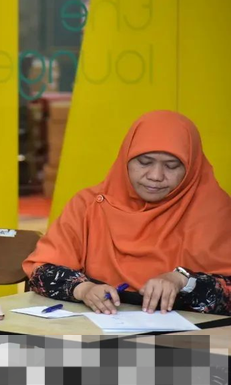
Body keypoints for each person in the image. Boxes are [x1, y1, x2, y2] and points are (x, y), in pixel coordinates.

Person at [23, 111, 231, 316]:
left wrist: (183, 280)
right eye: (145, 162)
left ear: (192, 168)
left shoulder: (214, 211)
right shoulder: (88, 205)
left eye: (171, 166)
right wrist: (83, 289)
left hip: (193, 334)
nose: (156, 176)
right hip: (98, 328)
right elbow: (42, 272)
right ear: (126, 158)